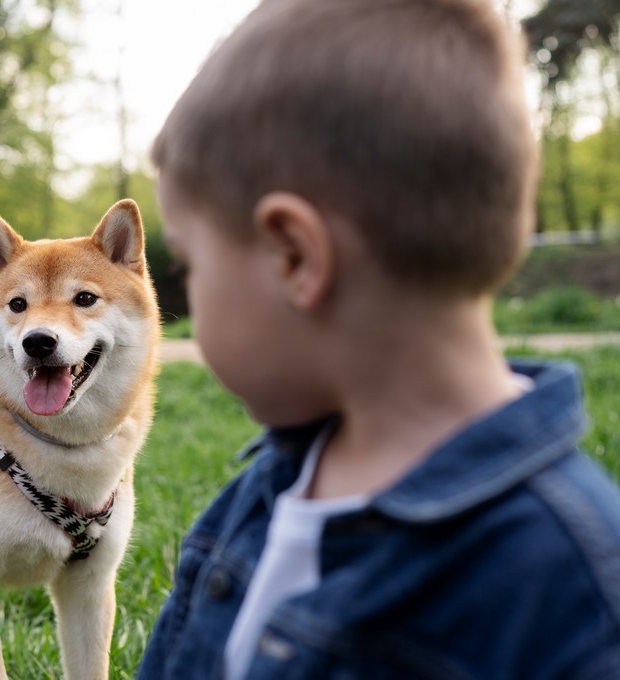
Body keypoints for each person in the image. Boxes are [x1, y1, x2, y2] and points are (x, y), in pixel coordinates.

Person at [138, 0, 620, 678]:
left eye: (190, 265)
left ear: (294, 258)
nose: (188, 296)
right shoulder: (266, 490)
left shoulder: (570, 587)